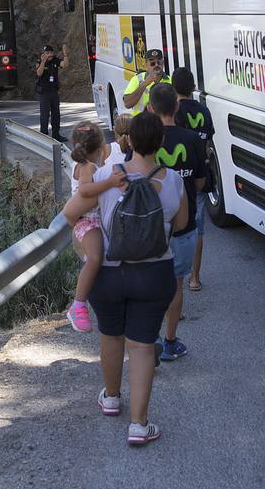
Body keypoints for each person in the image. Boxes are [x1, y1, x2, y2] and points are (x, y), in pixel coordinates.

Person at [64, 112, 187, 446]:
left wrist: (84, 240)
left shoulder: (106, 175)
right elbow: (183, 222)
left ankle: (112, 397)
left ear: (128, 141)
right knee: (143, 346)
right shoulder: (173, 180)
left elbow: (71, 212)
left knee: (112, 335)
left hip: (108, 272)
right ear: (161, 143)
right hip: (154, 272)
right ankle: (139, 424)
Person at [147, 83, 207, 362]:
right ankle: (170, 342)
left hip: (147, 227)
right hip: (183, 227)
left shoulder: (144, 140)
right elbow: (201, 181)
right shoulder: (193, 139)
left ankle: (147, 341)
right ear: (178, 106)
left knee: (148, 285)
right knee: (175, 284)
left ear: (150, 109)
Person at [64, 121, 127, 332]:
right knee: (95, 258)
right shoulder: (88, 167)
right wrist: (110, 183)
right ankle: (78, 305)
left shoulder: (85, 166)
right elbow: (84, 191)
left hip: (89, 218)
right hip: (87, 220)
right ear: (101, 146)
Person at [172, 67, 215, 292]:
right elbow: (207, 143)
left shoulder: (175, 112)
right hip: (199, 173)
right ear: (193, 87)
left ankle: (175, 277)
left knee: (173, 225)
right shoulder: (204, 111)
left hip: (178, 173)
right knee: (197, 227)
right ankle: (195, 278)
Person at [122, 48, 172, 113]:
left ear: (163, 63)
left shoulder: (170, 81)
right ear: (146, 65)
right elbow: (127, 104)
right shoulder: (137, 79)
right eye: (152, 63)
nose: (156, 65)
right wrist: (144, 84)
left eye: (159, 62)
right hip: (141, 121)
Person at [35, 44, 68, 140]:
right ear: (44, 54)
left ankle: (56, 134)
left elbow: (64, 65)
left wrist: (65, 54)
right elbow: (39, 73)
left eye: (50, 52)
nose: (49, 54)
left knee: (56, 114)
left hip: (54, 92)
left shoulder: (55, 61)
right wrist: (43, 62)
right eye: (47, 53)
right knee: (45, 115)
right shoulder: (40, 61)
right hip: (44, 93)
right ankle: (44, 136)